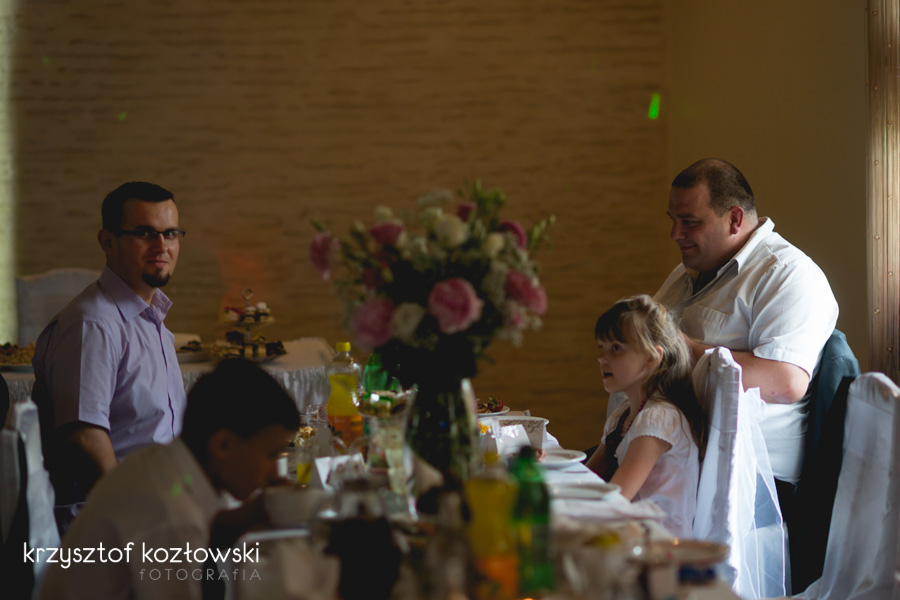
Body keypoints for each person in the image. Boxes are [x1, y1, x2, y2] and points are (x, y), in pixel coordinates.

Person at [38, 358, 301, 600]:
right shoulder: (172, 514)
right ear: (223, 445)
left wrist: (254, 513)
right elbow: (179, 530)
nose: (276, 474)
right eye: (271, 455)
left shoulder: (161, 462)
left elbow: (196, 534)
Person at [654, 158, 838, 490]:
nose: (675, 234)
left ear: (735, 219)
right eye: (673, 220)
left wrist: (685, 349)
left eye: (689, 222)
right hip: (674, 457)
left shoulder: (786, 274)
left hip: (747, 480)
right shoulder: (687, 271)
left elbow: (785, 382)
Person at [31, 181, 188, 531]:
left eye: (170, 233)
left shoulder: (150, 318)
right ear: (108, 241)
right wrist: (137, 519)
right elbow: (84, 437)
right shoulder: (93, 323)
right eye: (144, 233)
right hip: (110, 526)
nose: (161, 246)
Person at [585, 295, 703, 538]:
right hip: (631, 533)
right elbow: (588, 478)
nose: (602, 358)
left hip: (658, 546)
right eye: (602, 347)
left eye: (616, 348)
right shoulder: (624, 414)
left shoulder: (659, 419)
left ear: (651, 358)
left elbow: (616, 500)